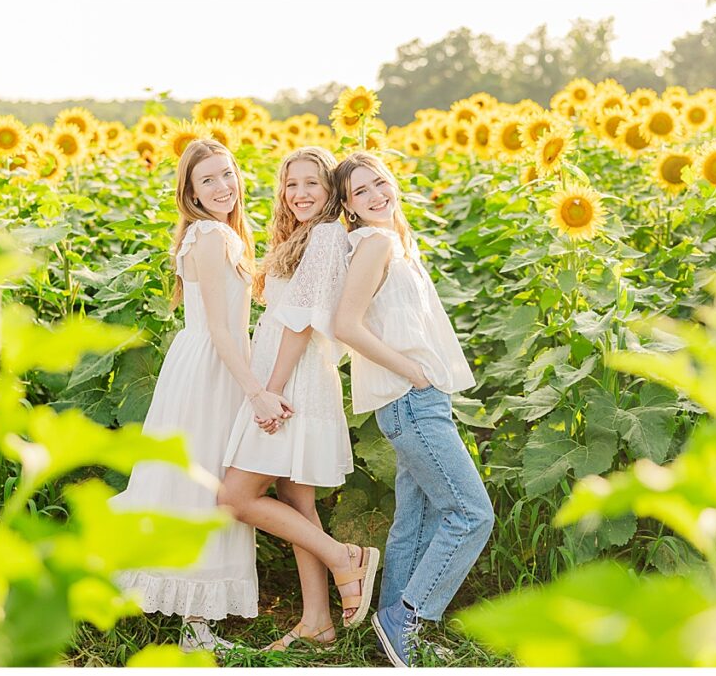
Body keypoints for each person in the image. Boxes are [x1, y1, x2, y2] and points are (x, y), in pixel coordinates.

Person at [109, 139, 292, 653]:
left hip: (211, 364)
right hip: (215, 367)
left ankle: (195, 620)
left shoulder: (220, 235)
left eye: (227, 174)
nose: (221, 187)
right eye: (207, 180)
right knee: (203, 482)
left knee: (198, 482)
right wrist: (255, 391)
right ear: (189, 192)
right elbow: (218, 327)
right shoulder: (210, 235)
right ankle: (192, 625)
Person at [332, 152, 494, 667]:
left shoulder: (395, 241)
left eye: (379, 182)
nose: (377, 195)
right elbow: (347, 325)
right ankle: (409, 616)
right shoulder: (375, 242)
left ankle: (390, 635)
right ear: (349, 207)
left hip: (422, 398)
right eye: (361, 192)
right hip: (410, 398)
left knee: (416, 517)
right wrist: (412, 371)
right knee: (472, 513)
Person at [219, 147, 367, 651]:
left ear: (330, 192)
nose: (300, 194)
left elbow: (301, 322)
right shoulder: (302, 237)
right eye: (291, 184)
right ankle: (317, 623)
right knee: (297, 504)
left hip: (293, 379)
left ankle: (345, 559)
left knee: (236, 498)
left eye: (312, 184)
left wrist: (272, 391)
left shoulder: (326, 236)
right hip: (285, 374)